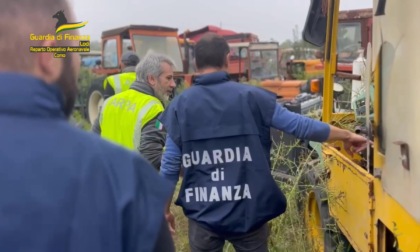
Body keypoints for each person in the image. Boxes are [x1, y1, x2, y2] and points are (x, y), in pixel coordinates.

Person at [158, 33, 370, 252]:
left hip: (203, 214)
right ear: (227, 57)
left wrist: (164, 211)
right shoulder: (252, 97)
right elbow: (300, 126)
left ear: (195, 62)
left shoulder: (179, 106)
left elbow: (170, 166)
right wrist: (346, 135)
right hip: (249, 211)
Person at [0, 1, 174, 251]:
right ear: (49, 56)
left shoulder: (110, 101)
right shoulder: (125, 183)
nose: (78, 64)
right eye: (75, 54)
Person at [93, 52, 177, 170]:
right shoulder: (153, 109)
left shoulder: (108, 103)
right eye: (168, 78)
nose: (173, 84)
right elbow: (152, 158)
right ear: (152, 79)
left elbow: (93, 142)